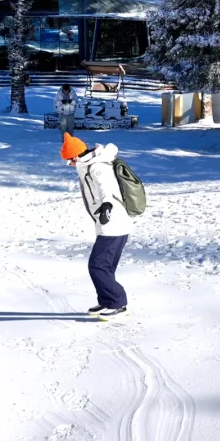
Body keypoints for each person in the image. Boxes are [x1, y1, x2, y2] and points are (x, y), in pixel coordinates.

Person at [61, 132, 130, 317]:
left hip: (113, 223)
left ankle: (117, 304)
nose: (69, 164)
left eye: (69, 161)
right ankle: (108, 302)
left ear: (76, 156)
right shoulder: (91, 166)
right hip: (110, 223)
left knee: (97, 265)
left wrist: (107, 206)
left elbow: (105, 187)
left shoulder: (96, 167)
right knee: (105, 266)